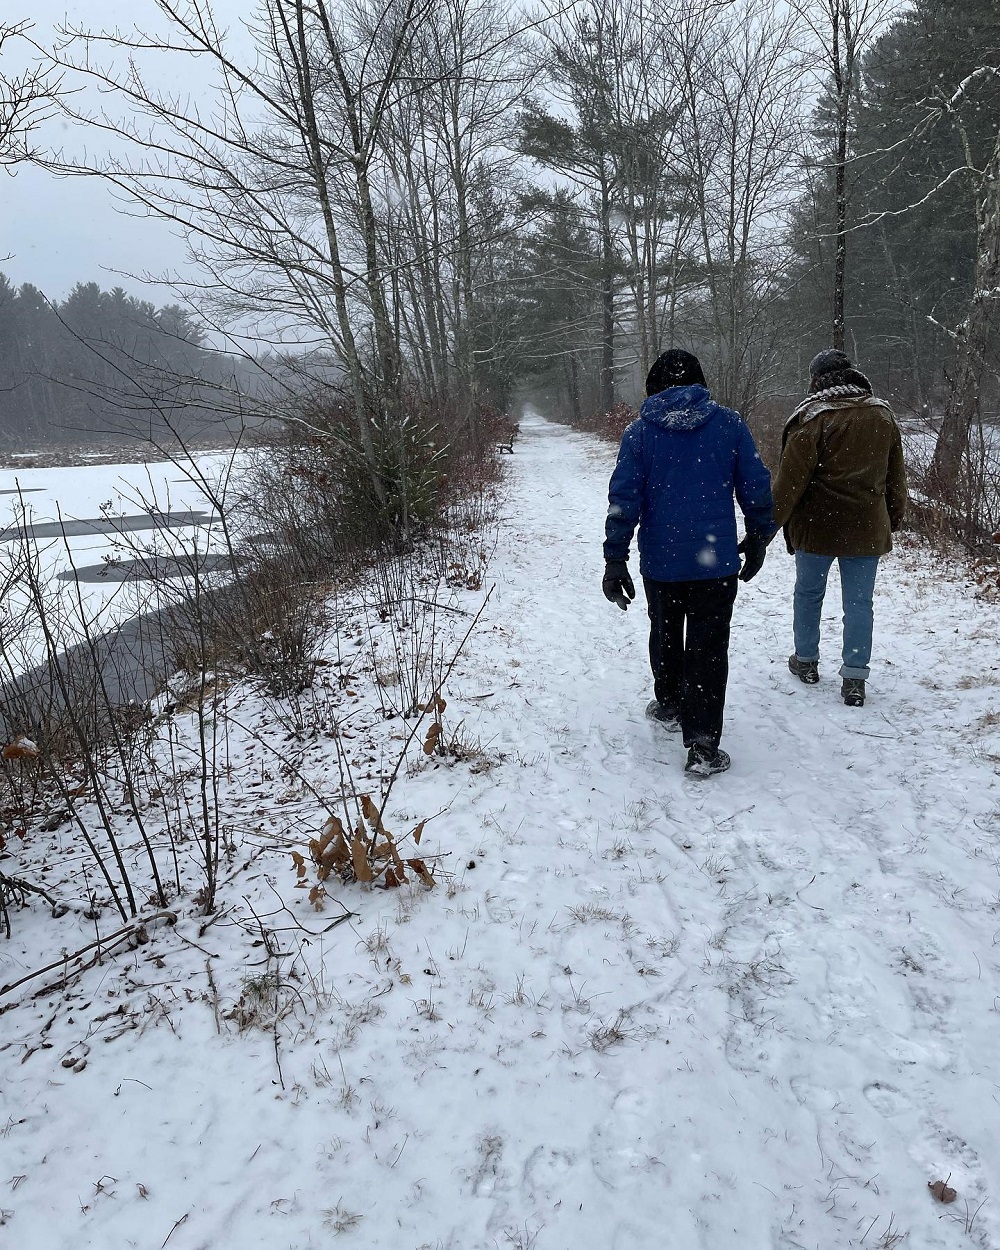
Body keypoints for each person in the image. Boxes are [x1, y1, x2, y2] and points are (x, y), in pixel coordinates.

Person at [602, 349, 776, 777]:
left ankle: (670, 702)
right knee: (709, 647)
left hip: (662, 560)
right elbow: (755, 485)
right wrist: (758, 536)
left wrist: (616, 558)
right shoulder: (729, 425)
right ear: (700, 382)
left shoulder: (640, 433)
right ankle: (702, 745)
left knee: (664, 630)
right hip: (714, 561)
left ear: (652, 386)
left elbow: (625, 499)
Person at [773, 348, 908, 708]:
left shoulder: (811, 418)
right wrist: (892, 518)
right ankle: (854, 677)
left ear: (817, 380)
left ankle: (806, 661)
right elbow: (896, 477)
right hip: (866, 527)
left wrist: (767, 526)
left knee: (808, 594)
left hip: (817, 528)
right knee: (860, 603)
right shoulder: (882, 415)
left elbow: (789, 485)